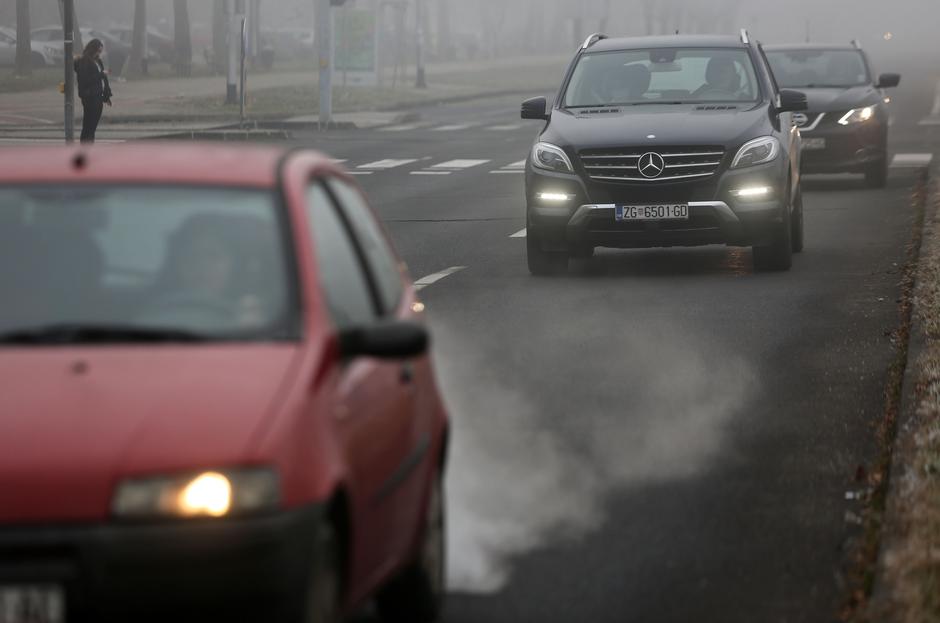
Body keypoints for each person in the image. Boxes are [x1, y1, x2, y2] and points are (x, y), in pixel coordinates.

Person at [73, 39, 113, 144]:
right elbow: (85, 80)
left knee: (92, 125)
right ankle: (86, 146)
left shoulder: (98, 61)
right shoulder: (84, 62)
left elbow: (103, 80)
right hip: (90, 97)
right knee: (89, 125)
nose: (99, 53)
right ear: (92, 49)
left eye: (100, 51)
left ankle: (89, 145)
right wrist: (101, 74)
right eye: (98, 51)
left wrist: (106, 95)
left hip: (98, 96)